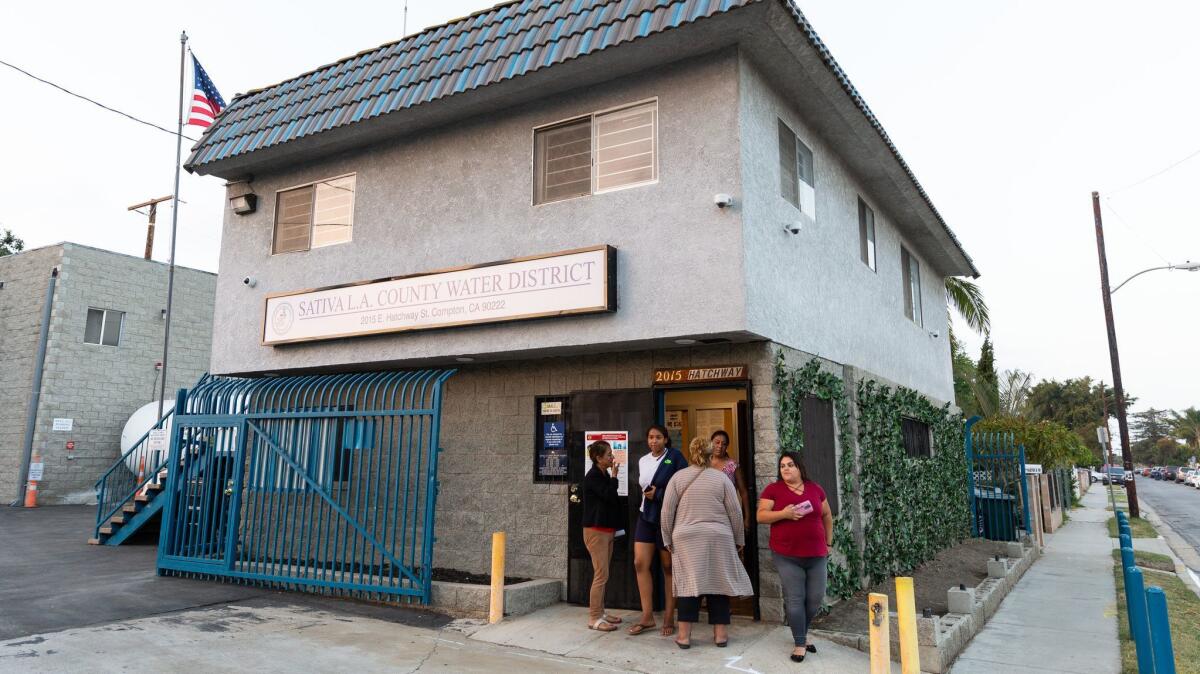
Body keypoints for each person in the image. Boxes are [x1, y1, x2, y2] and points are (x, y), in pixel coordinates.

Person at [660, 437, 753, 649]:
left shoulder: (678, 477)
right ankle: (720, 635)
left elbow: (667, 512)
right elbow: (735, 512)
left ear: (691, 453)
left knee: (688, 586)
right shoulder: (720, 479)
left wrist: (667, 539)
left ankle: (684, 636)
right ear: (712, 454)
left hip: (686, 538)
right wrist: (739, 539)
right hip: (718, 537)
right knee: (718, 584)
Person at [757, 452, 833, 663]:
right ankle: (800, 642)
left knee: (815, 598)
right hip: (787, 554)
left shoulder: (815, 488)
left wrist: (829, 543)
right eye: (782, 466)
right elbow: (761, 515)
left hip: (817, 553)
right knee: (795, 598)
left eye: (790, 465)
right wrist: (784, 514)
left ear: (799, 467)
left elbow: (826, 515)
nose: (786, 469)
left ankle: (802, 631)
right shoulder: (773, 490)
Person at [627, 424, 687, 636]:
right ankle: (647, 616)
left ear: (666, 439)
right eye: (651, 437)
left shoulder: (675, 457)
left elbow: (684, 486)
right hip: (646, 516)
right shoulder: (643, 460)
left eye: (658, 437)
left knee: (668, 566)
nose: (654, 441)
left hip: (667, 518)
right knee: (640, 563)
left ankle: (670, 616)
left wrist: (660, 494)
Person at [582, 440, 623, 632]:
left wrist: (611, 477)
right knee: (601, 575)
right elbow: (608, 495)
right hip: (595, 530)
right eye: (608, 455)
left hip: (606, 529)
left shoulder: (603, 474)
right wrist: (614, 478)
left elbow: (612, 499)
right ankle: (594, 617)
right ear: (598, 458)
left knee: (604, 574)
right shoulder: (592, 477)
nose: (612, 457)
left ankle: (601, 611)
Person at [709, 430, 750, 529]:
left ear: (727, 447)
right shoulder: (704, 464)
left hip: (728, 514)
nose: (720, 446)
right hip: (708, 513)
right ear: (711, 443)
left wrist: (747, 518)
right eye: (717, 442)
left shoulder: (732, 465)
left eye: (724, 444)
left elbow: (743, 493)